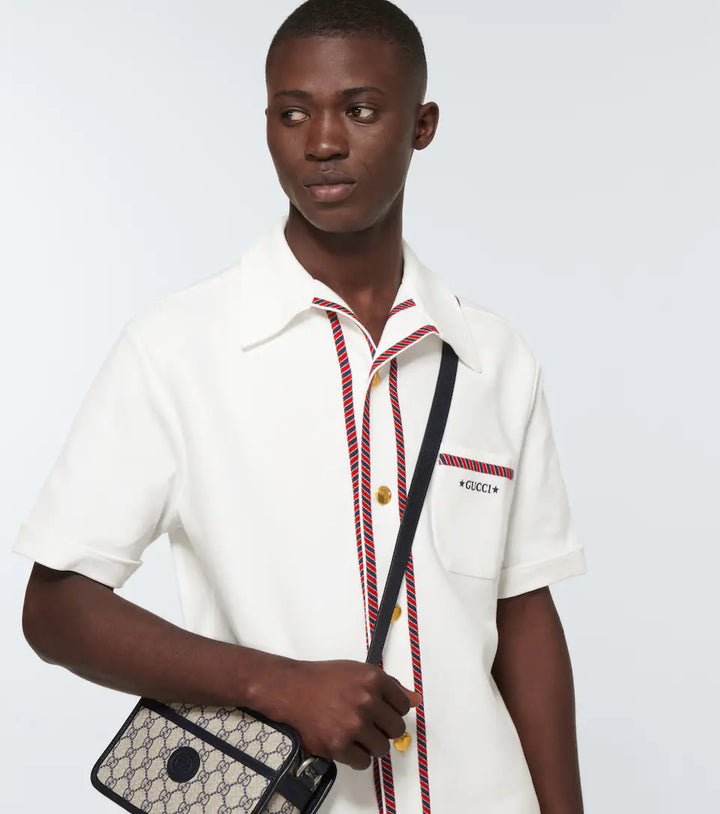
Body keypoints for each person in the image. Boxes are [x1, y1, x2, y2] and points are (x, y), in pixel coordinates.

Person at [14, 1, 588, 812]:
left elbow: (524, 617)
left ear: (421, 126)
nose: (322, 141)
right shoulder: (177, 349)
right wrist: (274, 683)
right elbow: (56, 609)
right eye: (292, 113)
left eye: (361, 110)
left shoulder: (494, 359)